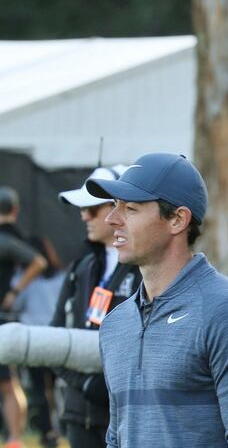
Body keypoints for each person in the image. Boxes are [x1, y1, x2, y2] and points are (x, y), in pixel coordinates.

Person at [85, 153, 228, 447]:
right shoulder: (115, 324)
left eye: (131, 208)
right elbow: (117, 437)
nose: (112, 219)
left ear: (177, 219)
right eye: (114, 206)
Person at [50, 166, 141, 448]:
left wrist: (111, 387)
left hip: (129, 418)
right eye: (82, 209)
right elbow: (56, 337)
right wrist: (85, 384)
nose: (84, 216)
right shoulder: (81, 267)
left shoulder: (145, 269)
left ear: (122, 208)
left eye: (92, 208)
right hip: (79, 415)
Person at [0, 186, 48, 448]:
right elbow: (39, 262)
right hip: (4, 317)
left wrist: (14, 291)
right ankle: (14, 438)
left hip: (1, 318)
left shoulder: (5, 241)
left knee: (8, 382)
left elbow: (37, 262)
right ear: (15, 210)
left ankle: (15, 439)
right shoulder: (11, 239)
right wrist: (14, 291)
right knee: (9, 383)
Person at [11, 236, 63, 448]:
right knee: (60, 388)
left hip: (33, 341)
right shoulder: (62, 277)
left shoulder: (21, 281)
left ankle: (47, 432)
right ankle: (62, 428)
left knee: (39, 389)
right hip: (59, 339)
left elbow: (13, 305)